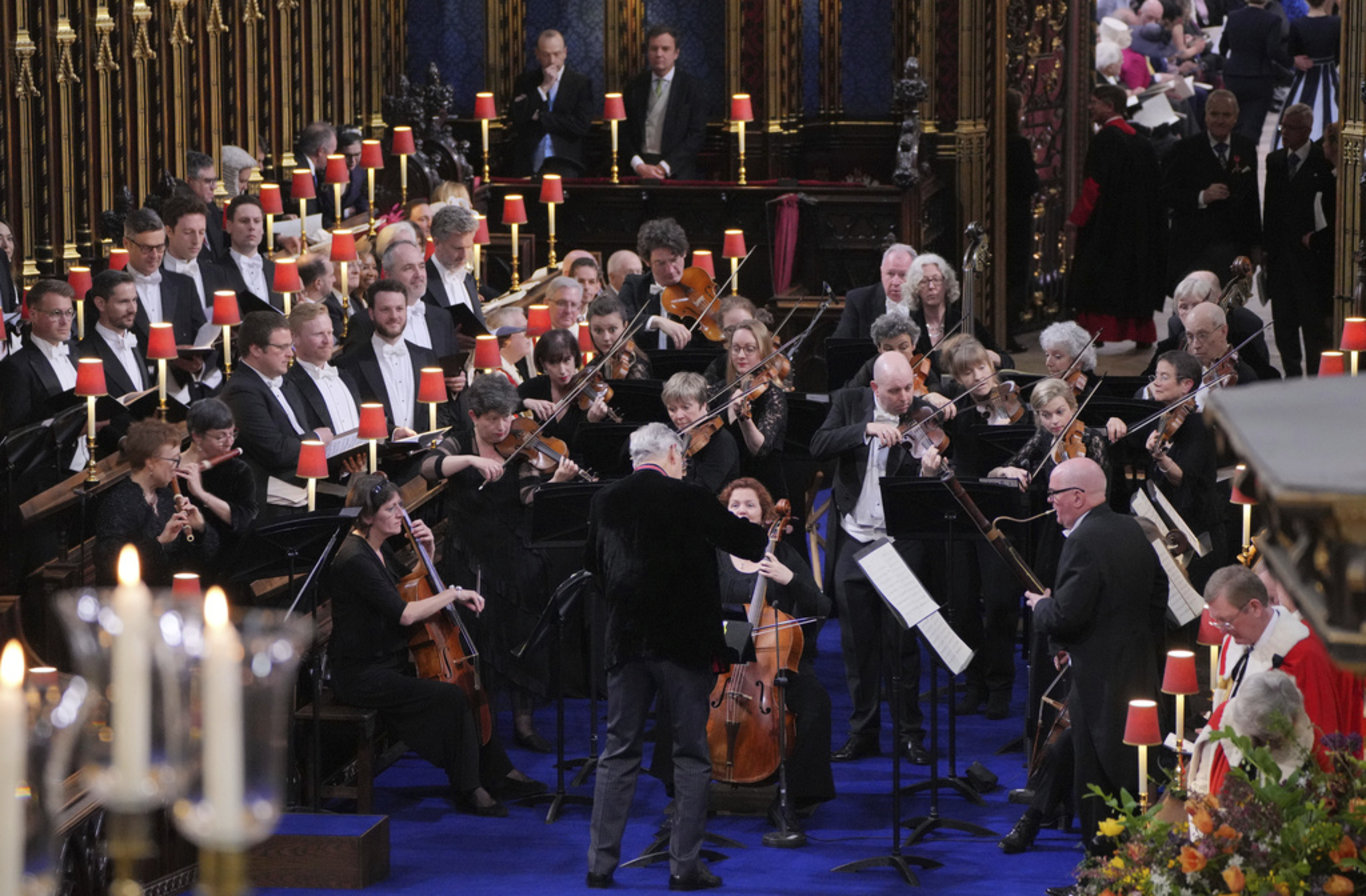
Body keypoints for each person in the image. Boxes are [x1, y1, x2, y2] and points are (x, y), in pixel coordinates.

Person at [584, 423, 768, 891]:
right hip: (684, 645)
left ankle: (600, 865)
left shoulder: (604, 500)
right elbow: (747, 543)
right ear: (670, 455)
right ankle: (683, 866)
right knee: (690, 753)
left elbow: (595, 570)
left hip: (625, 643)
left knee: (619, 750)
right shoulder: (689, 497)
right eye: (681, 458)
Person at [326, 472, 544, 817]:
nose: (402, 514)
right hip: (361, 674)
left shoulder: (376, 550)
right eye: (392, 508)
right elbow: (405, 613)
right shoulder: (355, 558)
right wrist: (452, 594)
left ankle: (497, 772)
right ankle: (469, 786)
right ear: (367, 516)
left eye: (400, 506)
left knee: (471, 686)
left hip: (390, 661)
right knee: (450, 696)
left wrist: (426, 553)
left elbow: (404, 586)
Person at [421, 374, 581, 753]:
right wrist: (471, 459)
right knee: (480, 636)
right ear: (475, 416)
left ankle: (524, 724)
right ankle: (482, 724)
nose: (503, 426)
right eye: (493, 419)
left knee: (524, 632)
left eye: (508, 416)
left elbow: (527, 496)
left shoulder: (520, 445)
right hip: (471, 552)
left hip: (515, 549)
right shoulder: (459, 441)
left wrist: (554, 483)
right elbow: (429, 467)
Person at [1025, 457, 1167, 854]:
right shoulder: (1129, 527)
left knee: (1097, 776)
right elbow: (1159, 591)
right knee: (1128, 767)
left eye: (1054, 494)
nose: (1049, 501)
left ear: (1077, 496)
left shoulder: (1083, 540)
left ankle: (1098, 869)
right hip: (1137, 669)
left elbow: (1067, 614)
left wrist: (1040, 606)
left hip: (1097, 680)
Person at [810, 352, 935, 765]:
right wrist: (865, 429)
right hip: (854, 540)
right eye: (895, 391)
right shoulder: (850, 404)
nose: (905, 398)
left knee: (901, 644)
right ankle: (862, 732)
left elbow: (928, 490)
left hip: (898, 543)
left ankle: (909, 734)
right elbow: (819, 444)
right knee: (856, 645)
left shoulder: (921, 417)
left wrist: (929, 471)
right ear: (875, 389)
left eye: (909, 388)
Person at [705, 478, 836, 830]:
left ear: (766, 517)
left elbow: (821, 606)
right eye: (734, 506)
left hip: (776, 659)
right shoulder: (713, 553)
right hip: (725, 657)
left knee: (816, 704)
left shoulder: (782, 552)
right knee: (679, 692)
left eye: (749, 505)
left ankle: (794, 797)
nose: (741, 511)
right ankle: (684, 791)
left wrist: (788, 577)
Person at [1188, 565, 1358, 795]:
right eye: (1217, 623)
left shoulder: (1301, 654)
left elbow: (1317, 736)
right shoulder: (1234, 643)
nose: (1224, 632)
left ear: (1255, 607)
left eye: (1227, 622)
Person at [1066, 84, 1164, 347]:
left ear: (1109, 106)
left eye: (1094, 102)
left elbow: (1093, 185)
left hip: (1106, 227)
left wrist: (1076, 219)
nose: (1090, 107)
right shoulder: (1141, 141)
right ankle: (1141, 334)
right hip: (1137, 227)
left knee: (1099, 279)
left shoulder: (1105, 139)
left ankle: (1096, 333)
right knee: (1133, 279)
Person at [221, 310, 334, 504]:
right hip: (275, 497)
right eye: (281, 347)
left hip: (307, 483)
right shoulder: (241, 392)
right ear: (256, 349)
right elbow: (276, 451)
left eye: (289, 346)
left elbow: (297, 434)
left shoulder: (286, 381)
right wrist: (315, 439)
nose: (290, 353)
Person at [1162, 90, 1263, 294]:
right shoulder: (1183, 149)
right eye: (1214, 114)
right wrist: (1202, 196)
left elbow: (1252, 199)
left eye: (1226, 115)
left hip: (1234, 247)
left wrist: (1256, 245)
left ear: (1235, 117)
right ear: (1205, 116)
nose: (1220, 120)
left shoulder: (1246, 148)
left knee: (1229, 313)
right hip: (1193, 247)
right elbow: (1167, 194)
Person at [94, 419, 216, 586]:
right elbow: (110, 565)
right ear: (150, 462)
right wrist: (160, 542)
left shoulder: (167, 496)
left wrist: (200, 529)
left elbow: (199, 561)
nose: (177, 467)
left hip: (172, 595)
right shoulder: (117, 503)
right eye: (174, 460)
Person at [1263, 103, 1335, 377]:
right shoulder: (1275, 161)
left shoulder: (1322, 161)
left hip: (1310, 262)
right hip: (1281, 260)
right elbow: (1269, 209)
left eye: (1291, 128)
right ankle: (1292, 375)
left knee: (1313, 325)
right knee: (1284, 323)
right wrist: (1266, 251)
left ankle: (1315, 377)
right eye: (1283, 127)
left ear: (1306, 130)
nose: (1284, 133)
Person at [337, 279, 447, 434]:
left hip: (423, 453)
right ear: (371, 313)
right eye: (385, 310)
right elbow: (353, 417)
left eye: (399, 309)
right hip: (380, 455)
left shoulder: (427, 357)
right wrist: (392, 434)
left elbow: (440, 409)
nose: (394, 316)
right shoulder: (350, 364)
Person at [178, 397, 257, 582]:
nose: (229, 442)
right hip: (185, 558)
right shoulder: (172, 468)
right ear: (197, 436)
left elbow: (245, 520)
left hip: (227, 561)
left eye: (232, 434)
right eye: (220, 436)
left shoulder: (239, 470)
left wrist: (201, 494)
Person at [710, 319, 789, 502]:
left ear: (763, 353)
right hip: (725, 487)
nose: (741, 355)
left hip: (762, 491)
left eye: (749, 349)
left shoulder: (773, 396)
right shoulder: (718, 391)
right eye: (736, 348)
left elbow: (760, 450)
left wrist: (743, 417)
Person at [621, 25, 708, 181]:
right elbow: (623, 131)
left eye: (665, 49)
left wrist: (665, 167)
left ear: (676, 53)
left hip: (676, 168)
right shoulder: (634, 86)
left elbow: (697, 135)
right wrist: (638, 165)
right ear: (647, 52)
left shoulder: (692, 87)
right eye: (654, 49)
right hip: (639, 167)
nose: (659, 54)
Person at [509, 29, 595, 177]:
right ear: (537, 54)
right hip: (529, 160)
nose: (552, 61)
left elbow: (581, 125)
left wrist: (541, 116)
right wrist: (544, 87)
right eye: (546, 55)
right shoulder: (525, 81)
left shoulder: (580, 84)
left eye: (556, 54)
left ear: (565, 53)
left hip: (567, 162)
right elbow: (517, 117)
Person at [0, 280, 79, 431]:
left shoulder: (76, 352)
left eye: (69, 312)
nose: (65, 321)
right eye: (56, 313)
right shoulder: (16, 367)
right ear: (33, 315)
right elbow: (16, 433)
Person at [125, 207, 208, 348]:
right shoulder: (110, 290)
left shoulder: (184, 285)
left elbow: (202, 337)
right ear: (127, 244)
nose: (154, 255)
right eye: (146, 248)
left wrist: (199, 366)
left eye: (160, 247)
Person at [905, 252, 1007, 365]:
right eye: (923, 281)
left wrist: (995, 357)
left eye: (936, 279)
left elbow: (1006, 361)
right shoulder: (909, 326)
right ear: (915, 287)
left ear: (946, 283)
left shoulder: (962, 320)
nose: (931, 286)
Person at [518, 328, 611, 447]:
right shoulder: (538, 386)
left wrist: (590, 423)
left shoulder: (589, 392)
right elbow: (501, 403)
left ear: (575, 357)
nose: (562, 370)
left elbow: (589, 446)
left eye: (567, 360)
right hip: (542, 462)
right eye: (553, 363)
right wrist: (526, 402)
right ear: (543, 363)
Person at [613, 218, 698, 349]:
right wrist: (656, 321)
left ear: (684, 253)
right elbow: (619, 320)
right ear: (647, 262)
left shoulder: (698, 287)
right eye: (660, 263)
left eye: (674, 260)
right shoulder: (634, 285)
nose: (670, 270)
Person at [1219, 0, 1291, 141]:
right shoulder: (1272, 20)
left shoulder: (1233, 16)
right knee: (1252, 127)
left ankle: (1232, 158)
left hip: (1234, 76)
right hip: (1259, 78)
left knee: (1233, 123)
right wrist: (1291, 62)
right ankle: (1246, 159)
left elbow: (1223, 47)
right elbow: (1272, 51)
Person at [1275, 0, 1338, 147]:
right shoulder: (1336, 23)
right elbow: (1338, 53)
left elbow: (1293, 52)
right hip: (1329, 75)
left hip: (1305, 77)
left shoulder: (1298, 24)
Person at [664, 371, 738, 493]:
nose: (678, 416)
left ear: (703, 405)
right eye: (672, 409)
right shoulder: (671, 433)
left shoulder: (721, 442)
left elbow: (700, 492)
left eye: (685, 407)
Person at [424, 204, 486, 347]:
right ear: (437, 242)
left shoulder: (468, 280)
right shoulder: (421, 282)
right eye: (457, 248)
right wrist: (449, 342)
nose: (464, 255)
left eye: (469, 247)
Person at [831, 244, 916, 340]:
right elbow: (839, 346)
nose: (895, 282)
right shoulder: (859, 300)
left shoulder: (925, 302)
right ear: (881, 272)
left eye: (903, 275)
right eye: (890, 274)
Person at [211, 194, 281, 309]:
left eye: (257, 221)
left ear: (262, 228)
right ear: (229, 226)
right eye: (244, 221)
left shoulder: (275, 270)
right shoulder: (215, 272)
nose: (252, 226)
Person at [587, 294, 651, 379]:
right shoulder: (592, 368)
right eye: (598, 331)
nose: (606, 338)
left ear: (625, 326)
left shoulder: (638, 366)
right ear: (590, 329)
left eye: (612, 330)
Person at [185, 150, 227, 261]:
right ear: (189, 181)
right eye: (208, 181)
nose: (214, 187)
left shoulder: (212, 209)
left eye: (215, 181)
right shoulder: (179, 217)